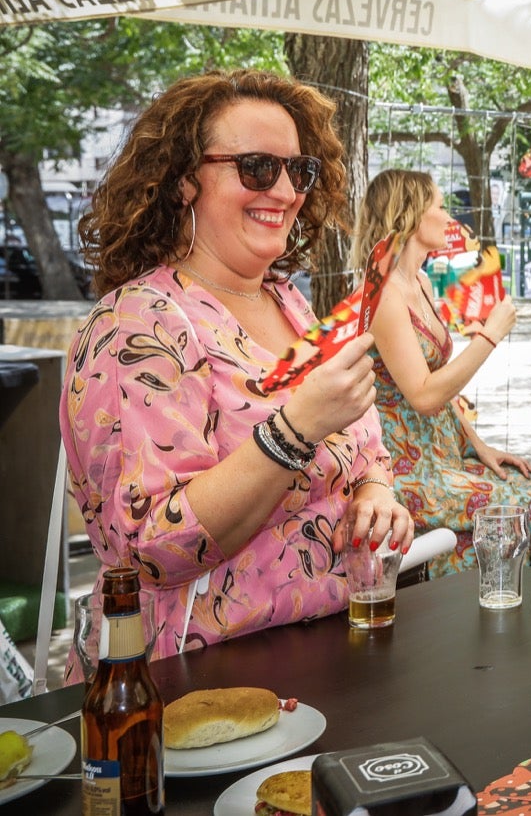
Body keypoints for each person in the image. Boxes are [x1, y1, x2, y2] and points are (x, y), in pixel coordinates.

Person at [63, 69, 413, 670]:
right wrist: (293, 432)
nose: (284, 191)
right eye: (256, 167)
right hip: (200, 678)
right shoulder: (137, 326)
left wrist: (376, 489)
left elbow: (364, 441)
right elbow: (147, 548)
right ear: (181, 183)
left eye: (298, 171)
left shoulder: (286, 300)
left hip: (334, 650)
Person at [355, 169, 531, 576]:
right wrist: (489, 337)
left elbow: (440, 388)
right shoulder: (384, 294)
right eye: (439, 206)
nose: (449, 218)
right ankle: (480, 597)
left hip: (444, 448)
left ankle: (499, 592)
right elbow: (423, 394)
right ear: (412, 214)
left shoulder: (419, 282)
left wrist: (478, 444)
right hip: (407, 464)